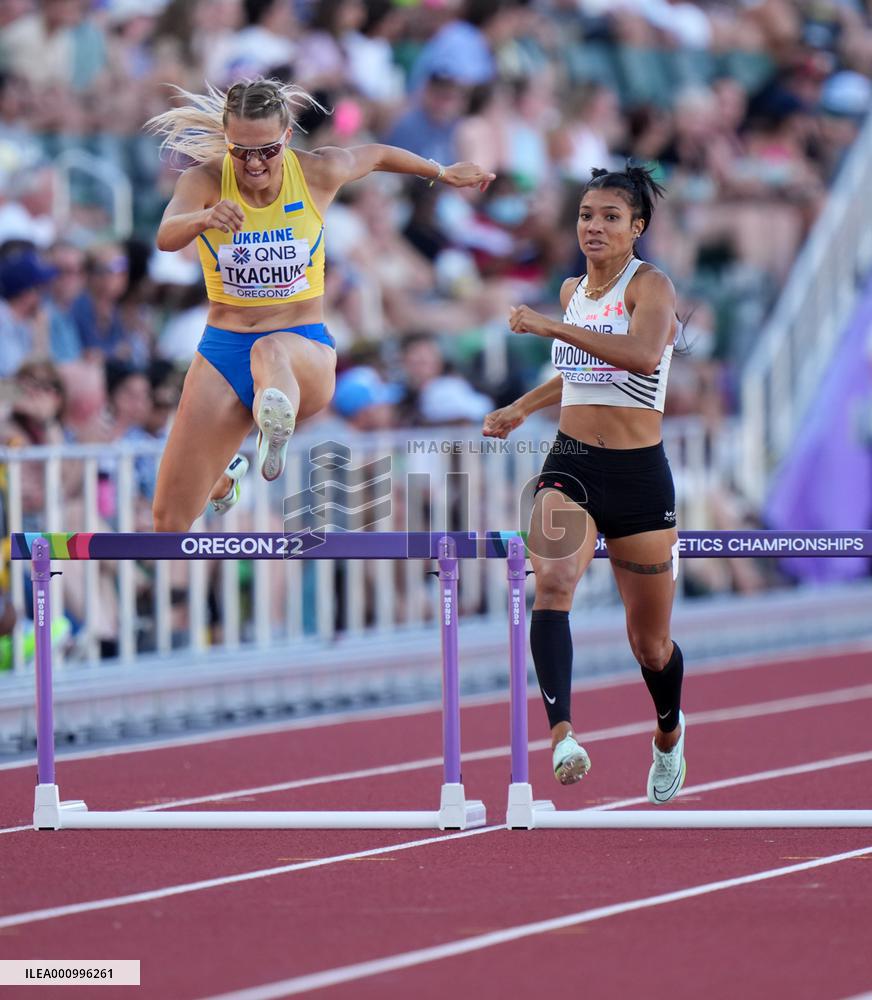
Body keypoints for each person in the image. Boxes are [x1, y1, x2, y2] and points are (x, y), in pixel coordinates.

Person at [146, 77, 494, 531]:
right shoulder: (206, 180)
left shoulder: (315, 172)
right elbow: (165, 234)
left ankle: (275, 424)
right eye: (241, 151)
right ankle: (223, 476)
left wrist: (441, 172)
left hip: (302, 348)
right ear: (228, 142)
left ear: (287, 138)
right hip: (223, 351)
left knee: (268, 351)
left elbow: (377, 155)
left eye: (267, 150)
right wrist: (204, 217)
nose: (254, 164)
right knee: (168, 522)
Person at [483, 164, 686, 805]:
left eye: (610, 218)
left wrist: (550, 326)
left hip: (639, 475)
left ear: (637, 228)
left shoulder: (650, 286)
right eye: (586, 216)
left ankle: (668, 730)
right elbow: (579, 372)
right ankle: (563, 735)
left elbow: (640, 356)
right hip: (571, 462)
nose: (594, 228)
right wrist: (523, 406)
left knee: (650, 646)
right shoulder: (574, 288)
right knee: (554, 581)